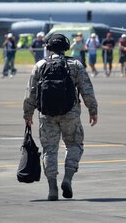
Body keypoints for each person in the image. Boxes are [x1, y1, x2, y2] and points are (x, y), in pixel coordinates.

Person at [23, 33, 98, 201]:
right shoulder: (75, 65)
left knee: (49, 150)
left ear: (49, 48)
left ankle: (52, 189)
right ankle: (68, 179)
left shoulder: (40, 65)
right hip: (70, 113)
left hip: (47, 114)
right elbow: (87, 90)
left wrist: (28, 114)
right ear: (66, 47)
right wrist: (93, 110)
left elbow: (30, 93)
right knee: (74, 145)